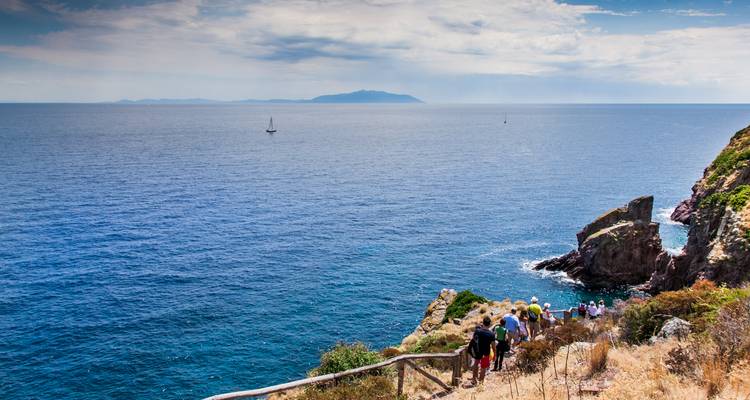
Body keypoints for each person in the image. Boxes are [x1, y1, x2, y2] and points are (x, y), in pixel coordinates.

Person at [469, 316, 496, 386]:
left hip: (477, 351)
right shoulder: (491, 334)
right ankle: (481, 383)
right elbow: (493, 346)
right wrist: (495, 355)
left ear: (483, 323)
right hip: (486, 352)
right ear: (489, 324)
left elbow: (474, 340)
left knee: (476, 364)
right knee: (483, 368)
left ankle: (474, 380)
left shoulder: (477, 331)